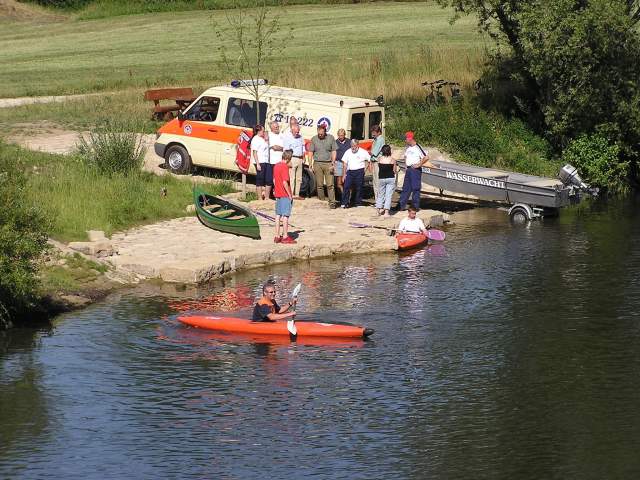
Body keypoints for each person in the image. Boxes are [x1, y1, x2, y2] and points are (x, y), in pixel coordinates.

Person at [397, 131, 435, 211]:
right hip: (409, 169)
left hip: (415, 170)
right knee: (405, 188)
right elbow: (406, 156)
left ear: (410, 138)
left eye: (405, 139)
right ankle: (401, 206)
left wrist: (419, 164)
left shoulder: (418, 147)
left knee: (415, 188)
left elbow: (426, 157)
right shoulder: (408, 147)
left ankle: (415, 206)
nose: (404, 141)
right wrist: (406, 165)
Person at [308, 125, 337, 206]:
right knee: (319, 185)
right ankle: (322, 201)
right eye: (319, 133)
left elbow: (334, 151)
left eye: (321, 134)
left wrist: (333, 162)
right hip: (317, 163)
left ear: (325, 132)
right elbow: (310, 152)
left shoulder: (331, 138)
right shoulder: (314, 139)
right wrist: (310, 164)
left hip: (328, 163)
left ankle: (332, 202)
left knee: (330, 184)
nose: (320, 135)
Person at [273, 150, 296, 244]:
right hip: (284, 194)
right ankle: (285, 236)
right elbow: (284, 182)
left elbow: (274, 180)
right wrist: (290, 195)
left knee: (278, 215)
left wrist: (275, 190)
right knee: (285, 216)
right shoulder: (284, 167)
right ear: (288, 159)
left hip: (278, 194)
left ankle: (277, 236)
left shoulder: (276, 165)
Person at [341, 139, 370, 208]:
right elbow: (344, 164)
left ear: (358, 145)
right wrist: (344, 174)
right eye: (351, 146)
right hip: (350, 172)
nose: (353, 147)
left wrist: (366, 169)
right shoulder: (347, 152)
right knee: (346, 187)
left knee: (359, 187)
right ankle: (344, 202)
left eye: (354, 146)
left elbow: (370, 160)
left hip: (359, 171)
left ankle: (358, 203)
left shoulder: (363, 152)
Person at [282, 122, 306, 200]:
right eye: (296, 131)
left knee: (299, 178)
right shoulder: (288, 138)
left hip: (300, 158)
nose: (297, 132)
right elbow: (286, 150)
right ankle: (291, 193)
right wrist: (288, 161)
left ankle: (297, 194)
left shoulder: (300, 137)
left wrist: (304, 156)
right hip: (292, 158)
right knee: (292, 177)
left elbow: (303, 147)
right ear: (292, 130)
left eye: (298, 131)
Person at [375, 144, 397, 217]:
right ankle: (386, 212)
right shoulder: (393, 159)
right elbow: (394, 170)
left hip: (381, 178)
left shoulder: (379, 159)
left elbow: (379, 167)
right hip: (390, 178)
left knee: (380, 195)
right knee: (388, 195)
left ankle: (378, 211)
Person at [251, 124, 270, 200]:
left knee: (267, 178)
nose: (264, 132)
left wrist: (266, 139)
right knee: (260, 179)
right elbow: (254, 152)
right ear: (258, 131)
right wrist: (258, 164)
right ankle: (259, 197)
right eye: (263, 130)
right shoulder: (255, 139)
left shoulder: (262, 138)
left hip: (265, 160)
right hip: (260, 161)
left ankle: (266, 196)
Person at [268, 121, 284, 199]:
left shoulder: (282, 135)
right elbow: (273, 147)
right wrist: (279, 147)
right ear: (271, 128)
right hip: (272, 161)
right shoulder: (269, 136)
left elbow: (284, 147)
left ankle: (279, 194)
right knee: (271, 179)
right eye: (275, 127)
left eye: (278, 126)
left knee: (279, 179)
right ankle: (271, 194)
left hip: (280, 161)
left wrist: (280, 148)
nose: (277, 128)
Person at [334, 128, 350, 203]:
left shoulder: (349, 142)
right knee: (339, 183)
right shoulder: (335, 142)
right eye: (339, 136)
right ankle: (344, 196)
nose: (341, 137)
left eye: (342, 135)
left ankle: (348, 197)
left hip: (348, 163)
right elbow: (333, 152)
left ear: (344, 135)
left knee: (348, 182)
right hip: (339, 163)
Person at [369, 125, 384, 204]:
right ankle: (377, 201)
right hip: (374, 162)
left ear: (378, 132)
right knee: (375, 182)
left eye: (374, 132)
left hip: (377, 163)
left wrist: (365, 151)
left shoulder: (379, 140)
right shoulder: (376, 139)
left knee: (377, 182)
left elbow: (374, 152)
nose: (372, 134)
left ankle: (379, 201)